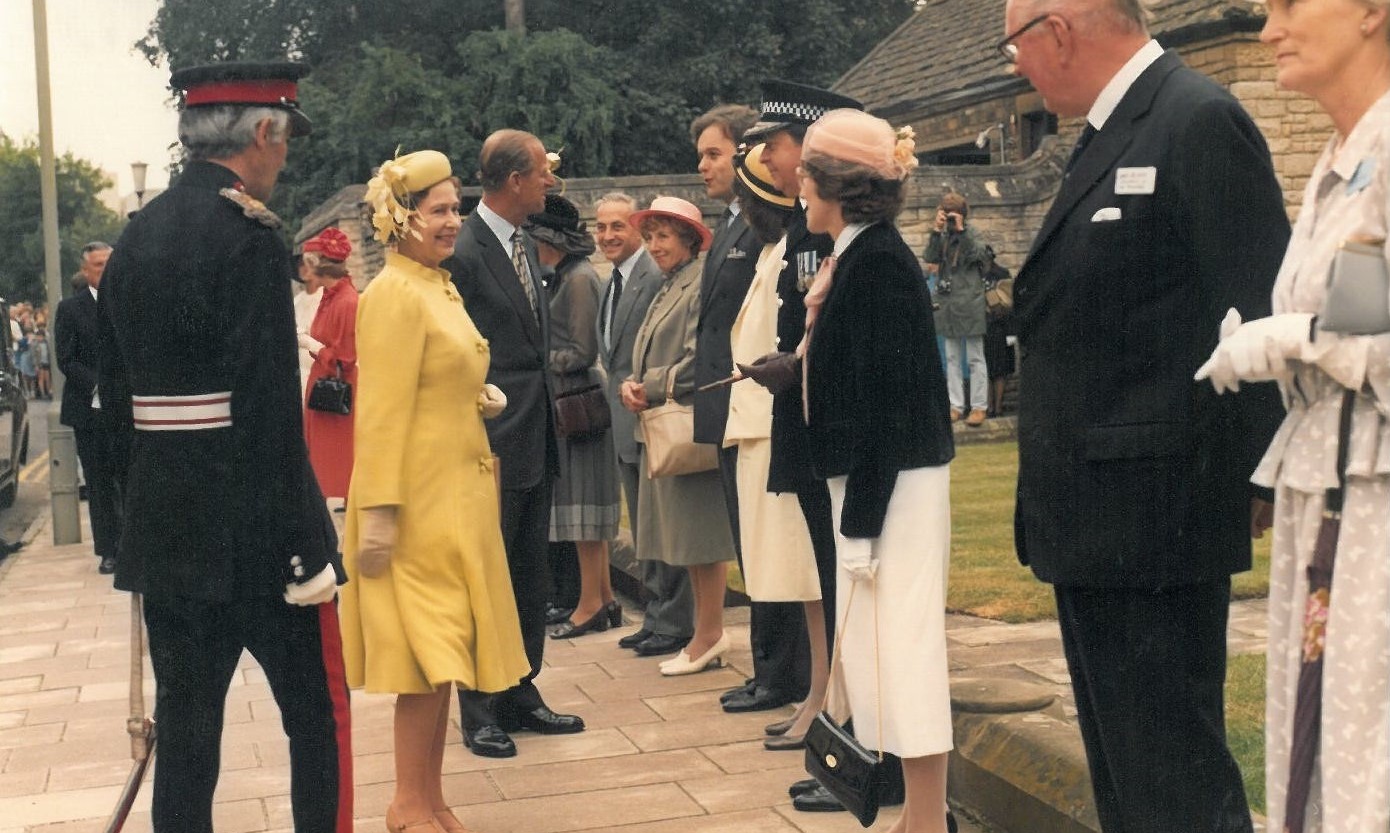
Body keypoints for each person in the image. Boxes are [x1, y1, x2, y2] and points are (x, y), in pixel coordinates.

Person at [1000, 0, 1290, 830]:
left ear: (1057, 31)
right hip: (1094, 516)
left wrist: (1262, 470)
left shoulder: (1195, 118)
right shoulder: (1107, 129)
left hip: (1157, 514)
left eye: (1014, 41)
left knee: (1174, 776)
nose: (1013, 62)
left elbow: (1257, 299)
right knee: (1126, 776)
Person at [96, 61, 351, 833]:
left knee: (187, 742)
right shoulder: (250, 238)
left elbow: (116, 415)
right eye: (285, 138)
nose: (284, 158)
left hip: (169, 535)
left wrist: (139, 517)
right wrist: (308, 548)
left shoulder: (133, 240)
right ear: (263, 132)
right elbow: (270, 414)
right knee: (313, 722)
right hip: (258, 541)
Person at [1194, 2, 1390, 830]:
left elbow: (1369, 338)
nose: (1269, 28)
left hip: (1375, 497)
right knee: (1319, 731)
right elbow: (1366, 312)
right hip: (1326, 483)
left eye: (1290, 5)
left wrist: (1296, 337)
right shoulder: (1343, 159)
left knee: (1366, 740)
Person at [342, 149, 528, 833]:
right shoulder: (392, 293)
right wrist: (381, 515)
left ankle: (428, 796)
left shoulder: (435, 285)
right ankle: (405, 801)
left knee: (445, 654)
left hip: (456, 492)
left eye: (457, 207)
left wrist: (473, 396)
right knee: (424, 657)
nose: (456, 220)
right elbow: (383, 410)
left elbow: (432, 376)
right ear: (403, 217)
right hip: (417, 502)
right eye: (442, 210)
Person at [793, 107, 956, 833]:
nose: (796, 184)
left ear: (836, 184)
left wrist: (860, 521)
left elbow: (889, 404)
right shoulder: (858, 254)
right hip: (875, 482)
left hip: (894, 488)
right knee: (878, 651)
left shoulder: (878, 262)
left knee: (905, 651)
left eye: (805, 172)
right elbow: (857, 373)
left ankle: (927, 820)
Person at [747, 77, 868, 815]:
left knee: (843, 581)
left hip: (828, 421)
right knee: (826, 575)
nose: (772, 157)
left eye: (780, 144)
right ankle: (837, 721)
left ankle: (850, 732)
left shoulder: (836, 229)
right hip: (802, 414)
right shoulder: (801, 224)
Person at [446, 130, 584, 758]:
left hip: (537, 433)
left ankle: (521, 687)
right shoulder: (464, 251)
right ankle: (478, 708)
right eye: (540, 173)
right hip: (492, 440)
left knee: (529, 571)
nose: (550, 183)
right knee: (486, 573)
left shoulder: (527, 243)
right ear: (512, 181)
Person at [687, 102, 812, 713]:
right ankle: (772, 668)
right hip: (733, 409)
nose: (705, 166)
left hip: (759, 408)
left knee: (780, 552)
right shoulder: (737, 228)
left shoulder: (771, 230)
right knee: (755, 550)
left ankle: (781, 672)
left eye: (715, 153)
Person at [723, 144, 826, 751]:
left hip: (775, 429)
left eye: (747, 198)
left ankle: (822, 695)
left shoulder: (793, 249)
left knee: (810, 578)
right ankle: (817, 693)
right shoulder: (772, 252)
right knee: (794, 579)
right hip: (758, 430)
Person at [621, 196, 737, 676]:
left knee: (701, 540)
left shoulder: (696, 282)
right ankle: (702, 633)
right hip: (663, 424)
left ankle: (708, 634)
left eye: (663, 236)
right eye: (649, 237)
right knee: (688, 540)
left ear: (689, 238)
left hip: (687, 424)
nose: (654, 245)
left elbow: (698, 357)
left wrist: (647, 385)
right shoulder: (673, 283)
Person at [593, 193, 691, 657]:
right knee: (646, 528)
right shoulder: (613, 281)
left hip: (653, 417)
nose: (608, 236)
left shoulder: (654, 276)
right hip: (626, 419)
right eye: (602, 227)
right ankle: (657, 615)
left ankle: (674, 619)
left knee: (663, 525)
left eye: (618, 227)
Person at [524, 194, 623, 639]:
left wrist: (537, 359)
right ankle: (602, 597)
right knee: (584, 510)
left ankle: (589, 605)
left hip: (578, 400)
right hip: (569, 398)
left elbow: (584, 350)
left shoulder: (579, 279)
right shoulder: (563, 276)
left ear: (551, 240)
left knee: (584, 510)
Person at [56, 241, 121, 575]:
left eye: (109, 262)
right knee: (99, 483)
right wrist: (99, 385)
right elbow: (65, 359)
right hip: (89, 408)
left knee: (127, 480)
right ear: (85, 270)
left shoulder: (129, 300)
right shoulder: (70, 309)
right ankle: (108, 551)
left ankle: (131, 547)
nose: (105, 269)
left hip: (126, 408)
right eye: (98, 265)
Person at [299, 227, 358, 501]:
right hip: (321, 385)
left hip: (335, 389)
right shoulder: (329, 296)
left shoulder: (346, 302)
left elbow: (345, 358)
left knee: (334, 464)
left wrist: (312, 345)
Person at [923, 192, 989, 426]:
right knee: (951, 357)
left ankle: (979, 406)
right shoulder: (941, 236)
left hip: (969, 301)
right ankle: (955, 405)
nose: (950, 220)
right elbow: (929, 257)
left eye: (953, 215)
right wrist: (935, 229)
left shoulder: (973, 233)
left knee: (974, 357)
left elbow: (979, 256)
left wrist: (961, 231)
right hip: (948, 302)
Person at [294, 255, 324, 400]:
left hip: (323, 369)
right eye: (301, 265)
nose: (305, 269)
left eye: (309, 264)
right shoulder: (296, 301)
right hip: (301, 371)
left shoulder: (325, 296)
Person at [33, 329, 51, 400]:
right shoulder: (35, 344)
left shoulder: (46, 343)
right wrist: (36, 365)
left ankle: (48, 391)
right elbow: (34, 356)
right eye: (38, 336)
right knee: (41, 378)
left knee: (47, 378)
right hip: (40, 363)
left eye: (41, 336)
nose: (39, 338)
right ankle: (43, 393)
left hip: (46, 361)